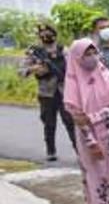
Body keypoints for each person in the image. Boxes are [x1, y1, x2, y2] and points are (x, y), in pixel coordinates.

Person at [63, 38, 109, 204]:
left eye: (94, 53)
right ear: (77, 58)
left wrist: (92, 117)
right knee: (96, 176)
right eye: (87, 54)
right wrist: (91, 142)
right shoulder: (73, 82)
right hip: (89, 138)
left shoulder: (105, 75)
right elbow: (78, 118)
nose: (92, 58)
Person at [19, 24, 76, 161]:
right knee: (49, 123)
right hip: (46, 93)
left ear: (54, 34)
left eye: (48, 33)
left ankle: (79, 150)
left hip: (64, 91)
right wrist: (34, 68)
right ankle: (51, 151)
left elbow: (74, 68)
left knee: (70, 122)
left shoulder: (64, 50)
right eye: (42, 34)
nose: (45, 36)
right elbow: (21, 71)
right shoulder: (34, 52)